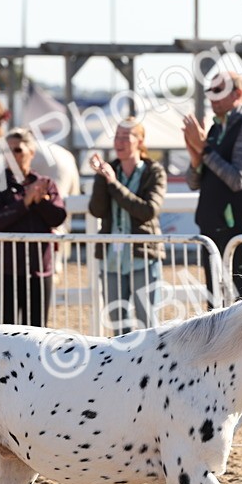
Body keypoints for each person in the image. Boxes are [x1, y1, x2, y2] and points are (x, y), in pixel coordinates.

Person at [183, 71, 242, 302]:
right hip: (212, 230)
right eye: (210, 91)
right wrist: (196, 159)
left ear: (237, 94)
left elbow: (237, 179)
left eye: (218, 91)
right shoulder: (215, 130)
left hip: (239, 230)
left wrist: (204, 150)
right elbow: (193, 182)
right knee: (215, 304)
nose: (212, 97)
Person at [88, 119, 167, 335]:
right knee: (117, 322)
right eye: (117, 137)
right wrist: (101, 178)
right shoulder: (110, 169)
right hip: (112, 258)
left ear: (139, 141)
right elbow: (96, 210)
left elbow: (148, 210)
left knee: (148, 321)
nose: (119, 142)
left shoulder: (154, 171)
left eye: (125, 137)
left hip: (144, 256)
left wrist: (113, 184)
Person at [0, 127, 66, 327]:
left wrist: (41, 201)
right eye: (7, 151)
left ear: (32, 152)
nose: (12, 156)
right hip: (4, 271)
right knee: (5, 331)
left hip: (39, 270)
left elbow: (58, 217)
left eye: (18, 150)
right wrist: (25, 202)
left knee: (37, 331)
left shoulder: (45, 184)